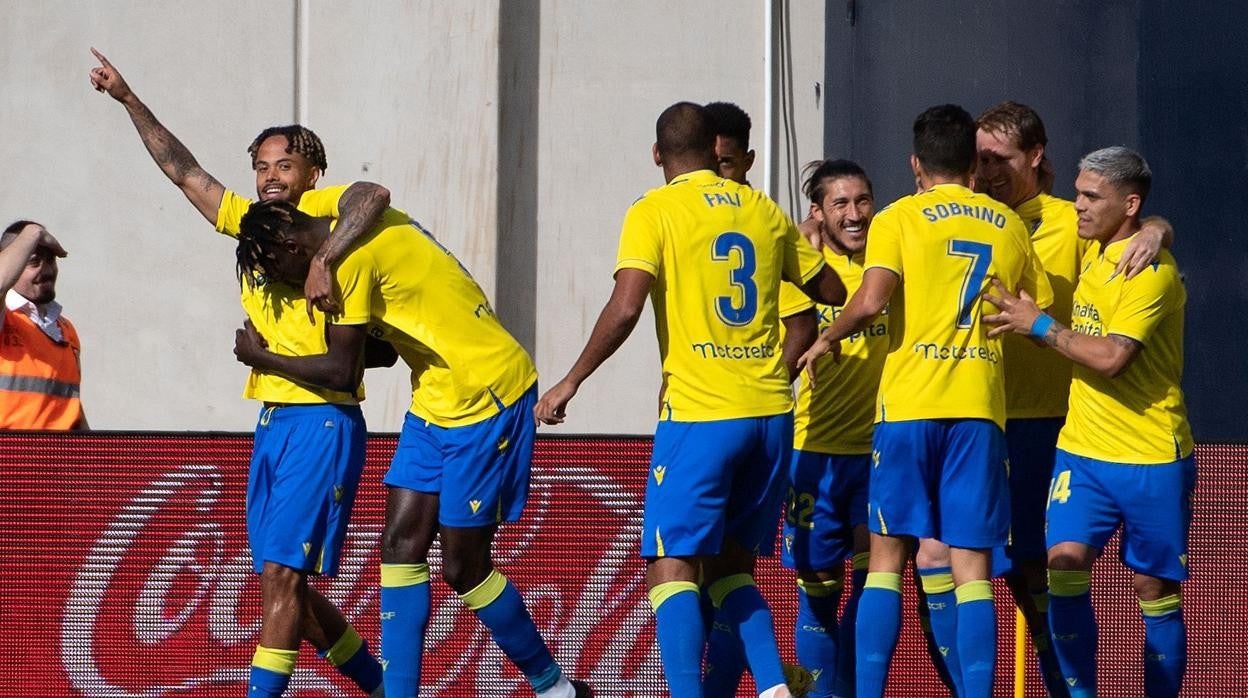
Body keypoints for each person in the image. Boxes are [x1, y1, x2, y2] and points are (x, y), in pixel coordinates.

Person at [90, 49, 390, 697]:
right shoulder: (251, 226)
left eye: (285, 164)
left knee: (282, 580)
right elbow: (184, 173)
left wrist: (326, 255)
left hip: (321, 419)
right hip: (273, 421)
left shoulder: (328, 215)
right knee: (284, 587)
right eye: (261, 166)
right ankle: (383, 685)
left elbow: (375, 193)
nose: (271, 176)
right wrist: (128, 99)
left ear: (313, 171)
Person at [534, 101, 846, 698]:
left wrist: (571, 380)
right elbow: (827, 288)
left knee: (670, 566)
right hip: (773, 414)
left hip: (703, 413)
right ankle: (777, 688)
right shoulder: (763, 209)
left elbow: (626, 306)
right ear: (714, 150)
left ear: (658, 155)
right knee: (730, 567)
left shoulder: (655, 209)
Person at [230, 200, 590, 698]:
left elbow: (340, 373)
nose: (284, 284)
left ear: (293, 246)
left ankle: (554, 688)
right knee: (399, 547)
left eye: (278, 271)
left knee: (464, 567)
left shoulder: (345, 260)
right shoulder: (343, 238)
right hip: (435, 396)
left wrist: (261, 357)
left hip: (486, 392)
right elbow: (378, 349)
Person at [798, 104, 1053, 697]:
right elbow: (1029, 303)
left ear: (916, 164)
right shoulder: (1008, 224)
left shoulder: (901, 218)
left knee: (885, 560)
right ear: (972, 164)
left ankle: (867, 692)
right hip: (980, 407)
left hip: (909, 405)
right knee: (972, 571)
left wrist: (829, 336)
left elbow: (869, 300)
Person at [975, 100, 1170, 697]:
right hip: (974, 418)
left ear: (1035, 157)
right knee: (978, 568)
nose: (986, 172)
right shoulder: (966, 217)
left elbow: (1132, 236)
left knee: (1047, 566)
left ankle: (1067, 685)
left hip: (1049, 420)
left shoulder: (1071, 220)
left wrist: (1160, 229)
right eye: (978, 159)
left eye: (1000, 159)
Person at [700, 102, 818, 698]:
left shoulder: (759, 223)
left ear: (747, 160)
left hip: (732, 416)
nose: (717, 172)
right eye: (709, 161)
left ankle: (761, 683)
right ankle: (773, 683)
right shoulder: (745, 220)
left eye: (726, 162)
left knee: (705, 573)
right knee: (717, 575)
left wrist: (765, 376)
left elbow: (802, 321)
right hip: (730, 414)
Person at [777, 160, 883, 697]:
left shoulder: (891, 264)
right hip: (811, 452)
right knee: (816, 589)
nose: (855, 213)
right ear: (817, 212)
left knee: (875, 585)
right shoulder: (798, 272)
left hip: (877, 455)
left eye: (862, 200)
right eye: (840, 203)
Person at [0, 221, 85, 430]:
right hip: (10, 457)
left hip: (57, 458)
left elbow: (70, 409)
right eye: (34, 261)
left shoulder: (66, 330)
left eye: (50, 261)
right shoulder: (6, 318)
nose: (46, 270)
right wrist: (33, 232)